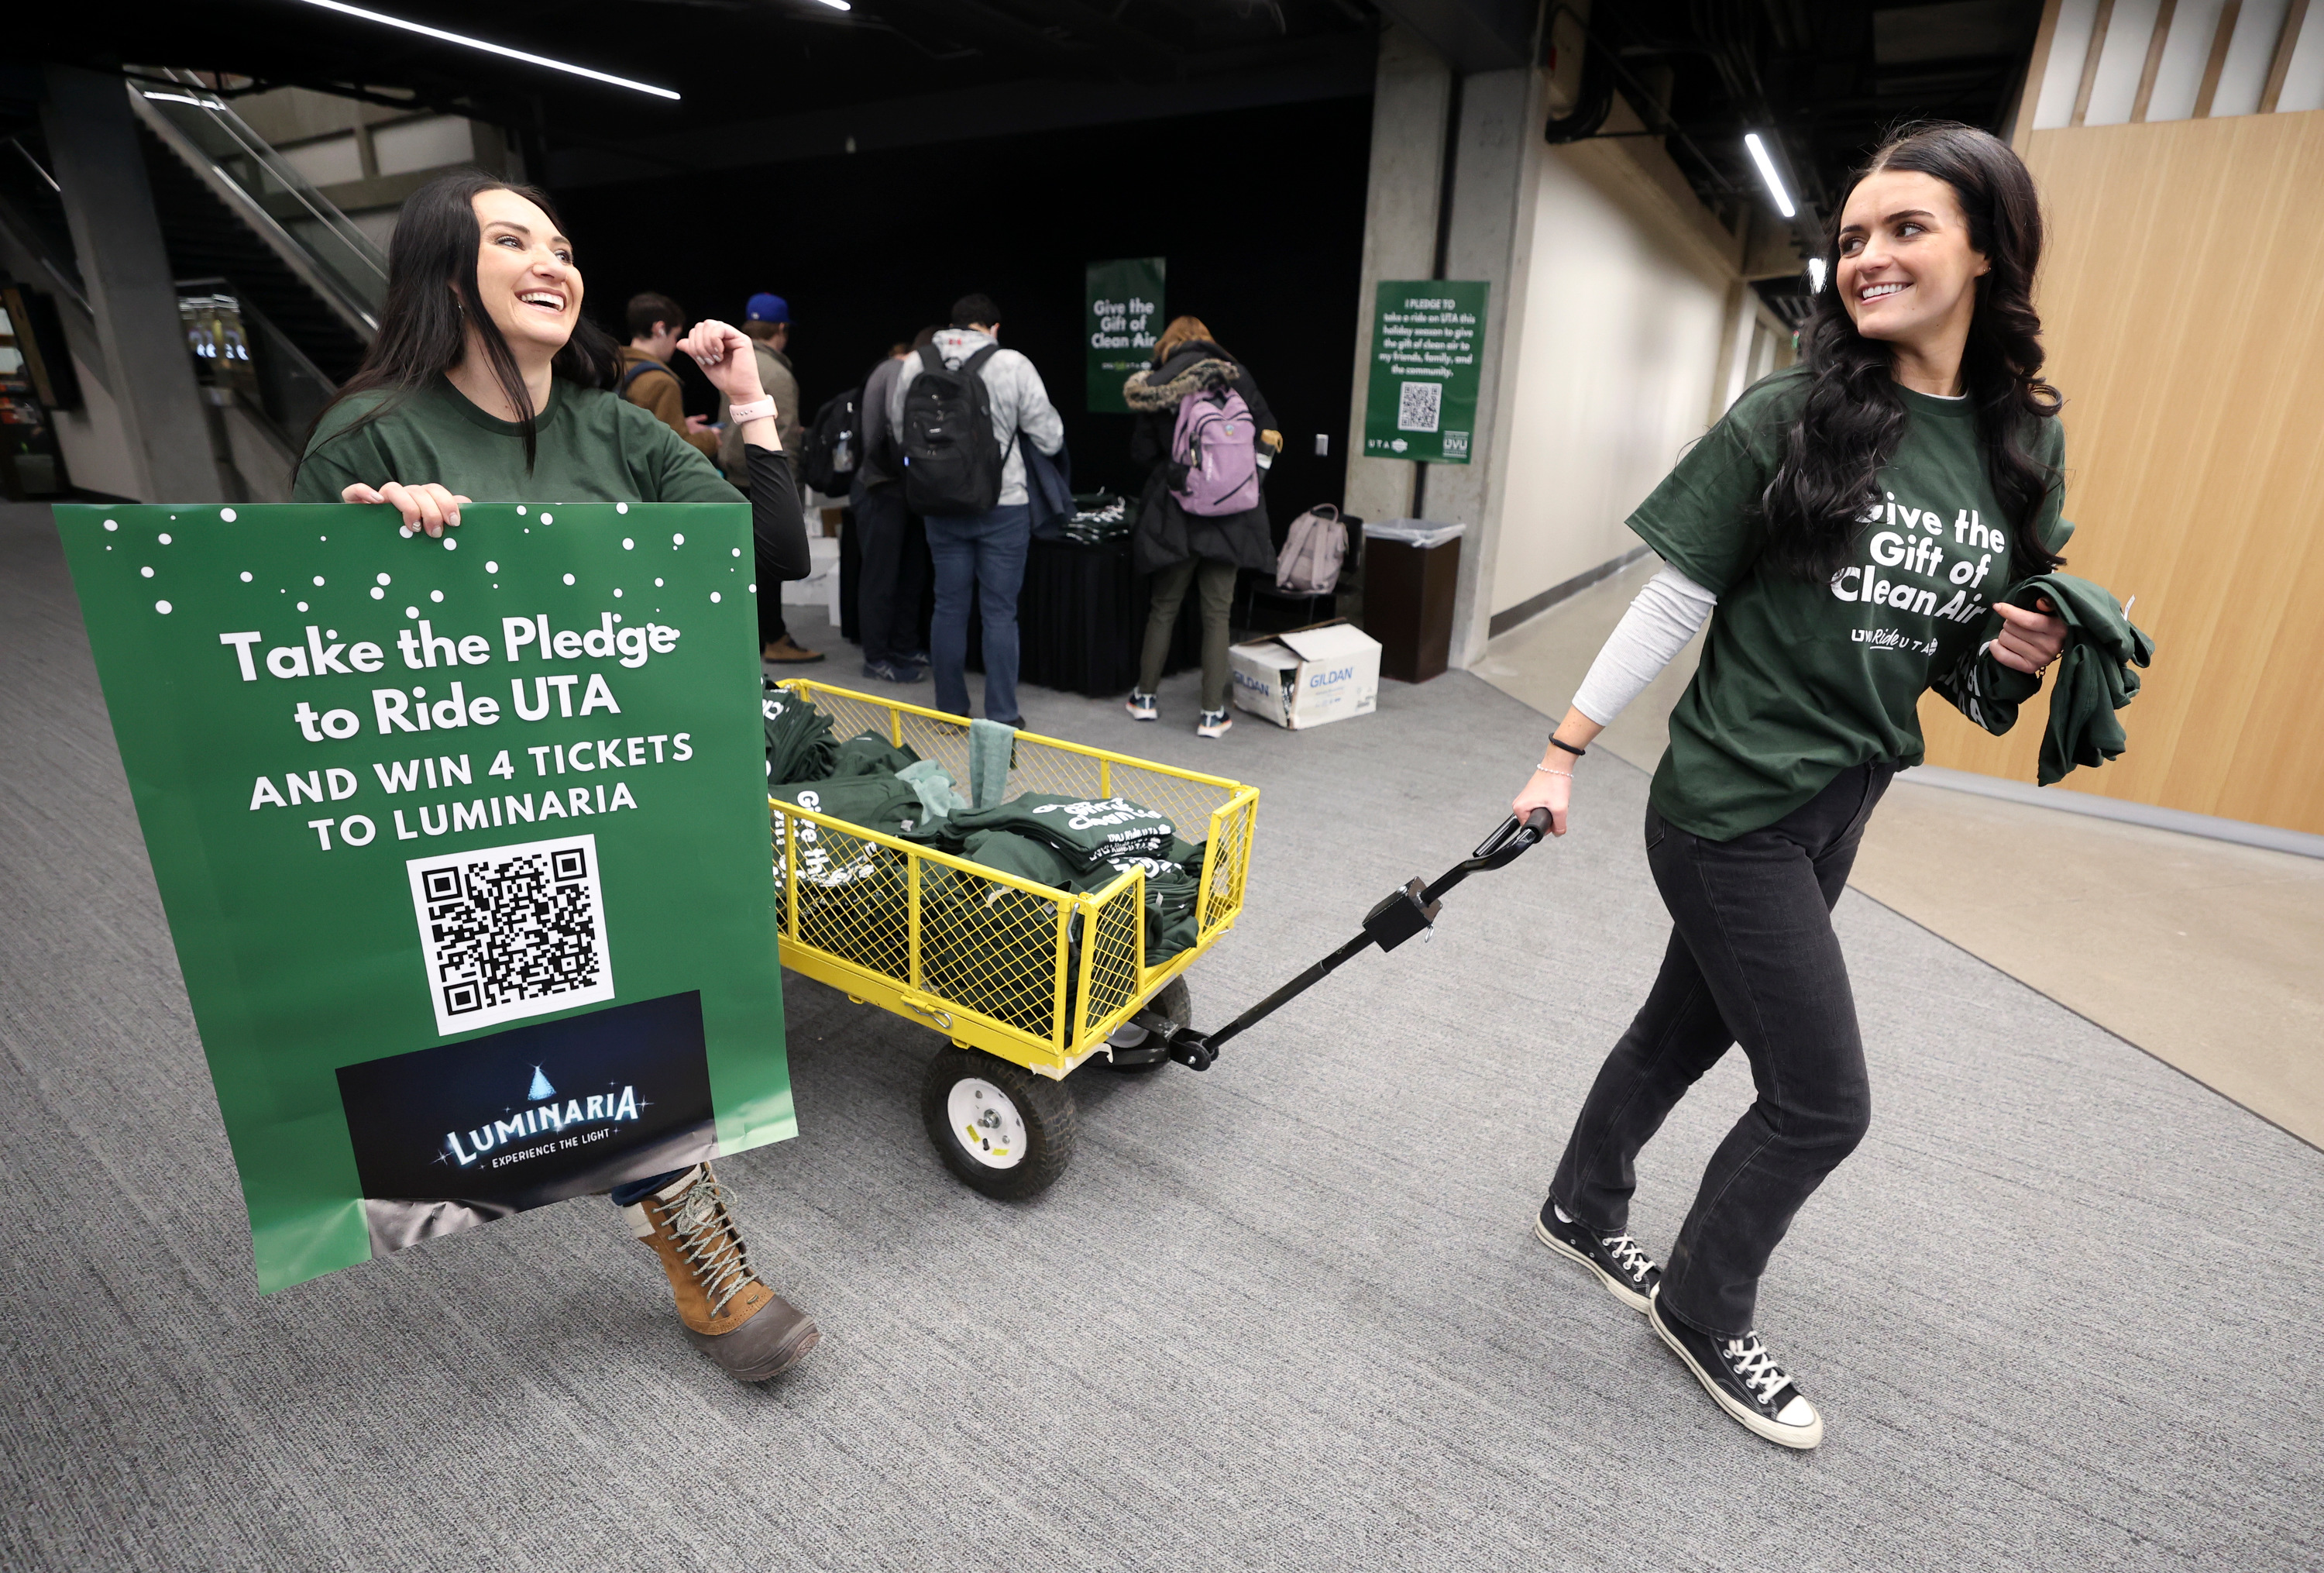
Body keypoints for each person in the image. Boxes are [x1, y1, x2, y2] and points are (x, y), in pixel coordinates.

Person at [1510, 123, 2072, 1451]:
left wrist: (2020, 647)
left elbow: (1958, 650)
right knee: (1824, 1101)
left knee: (1683, 1030)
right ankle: (1704, 1310)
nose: (1865, 256)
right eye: (1854, 235)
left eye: (1905, 229)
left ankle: (1580, 1209)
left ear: (1985, 248)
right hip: (1729, 805)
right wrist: (1562, 752)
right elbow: (1675, 600)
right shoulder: (1791, 414)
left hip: (1846, 799)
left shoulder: (2017, 448)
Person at [291, 171, 820, 1385]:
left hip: (623, 780)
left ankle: (670, 1210)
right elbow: (303, 676)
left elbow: (769, 551)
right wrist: (372, 549)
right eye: (512, 239)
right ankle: (690, 1236)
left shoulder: (612, 425)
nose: (552, 260)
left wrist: (746, 405)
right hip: (473, 806)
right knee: (546, 1036)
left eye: (563, 243)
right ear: (442, 271)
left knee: (634, 1008)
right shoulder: (367, 439)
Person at [887, 293, 1064, 726]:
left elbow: (898, 428)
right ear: (994, 328)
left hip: (938, 503)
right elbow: (1050, 437)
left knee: (948, 605)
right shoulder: (1013, 364)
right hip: (1003, 504)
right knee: (1000, 611)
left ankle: (949, 709)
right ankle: (1002, 716)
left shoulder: (917, 362)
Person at [1122, 315, 1283, 738]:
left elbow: (1142, 452)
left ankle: (1145, 698)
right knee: (1218, 613)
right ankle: (1212, 714)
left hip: (1177, 510)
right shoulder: (1236, 374)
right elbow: (1269, 431)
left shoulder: (1159, 382)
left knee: (1164, 607)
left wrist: (1176, 471)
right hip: (1233, 511)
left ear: (1169, 343)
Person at [719, 292, 820, 666]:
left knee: (747, 565)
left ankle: (759, 636)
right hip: (761, 478)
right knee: (772, 565)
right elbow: (787, 438)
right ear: (781, 328)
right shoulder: (777, 372)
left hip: (734, 472)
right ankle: (774, 637)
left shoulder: (738, 362)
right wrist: (789, 490)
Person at [850, 332, 931, 683]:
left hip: (903, 490)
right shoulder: (896, 371)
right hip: (882, 487)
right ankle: (877, 656)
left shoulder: (897, 370)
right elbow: (888, 434)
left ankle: (903, 645)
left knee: (910, 572)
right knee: (881, 577)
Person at [617, 291, 718, 460]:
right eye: (675, 336)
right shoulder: (662, 382)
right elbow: (672, 452)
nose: (675, 344)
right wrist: (710, 438)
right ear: (660, 329)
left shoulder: (611, 364)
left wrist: (682, 425)